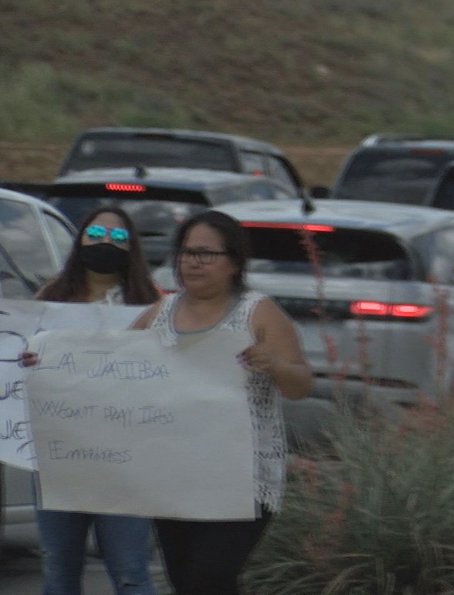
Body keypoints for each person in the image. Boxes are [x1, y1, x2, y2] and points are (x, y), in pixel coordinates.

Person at [130, 209, 313, 594]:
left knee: (210, 576)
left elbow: (300, 384)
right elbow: (110, 367)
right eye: (186, 252)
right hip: (174, 475)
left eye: (206, 253)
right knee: (185, 579)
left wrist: (274, 364)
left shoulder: (257, 312)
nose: (194, 261)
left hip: (240, 478)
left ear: (234, 263)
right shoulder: (160, 313)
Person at [33, 206, 161, 595]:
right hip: (60, 456)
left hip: (126, 461)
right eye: (96, 234)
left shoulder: (151, 302)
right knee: (59, 568)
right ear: (80, 240)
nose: (106, 242)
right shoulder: (50, 298)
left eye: (118, 237)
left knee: (129, 571)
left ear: (132, 246)